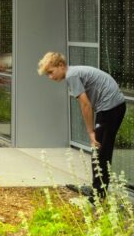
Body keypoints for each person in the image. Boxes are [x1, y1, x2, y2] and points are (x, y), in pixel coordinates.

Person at [38, 52, 127, 199]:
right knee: (100, 151)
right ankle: (97, 189)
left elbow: (85, 105)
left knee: (99, 151)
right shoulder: (73, 73)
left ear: (61, 66)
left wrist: (91, 132)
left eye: (51, 72)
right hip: (113, 107)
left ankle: (98, 196)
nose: (50, 77)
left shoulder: (71, 75)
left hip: (111, 108)